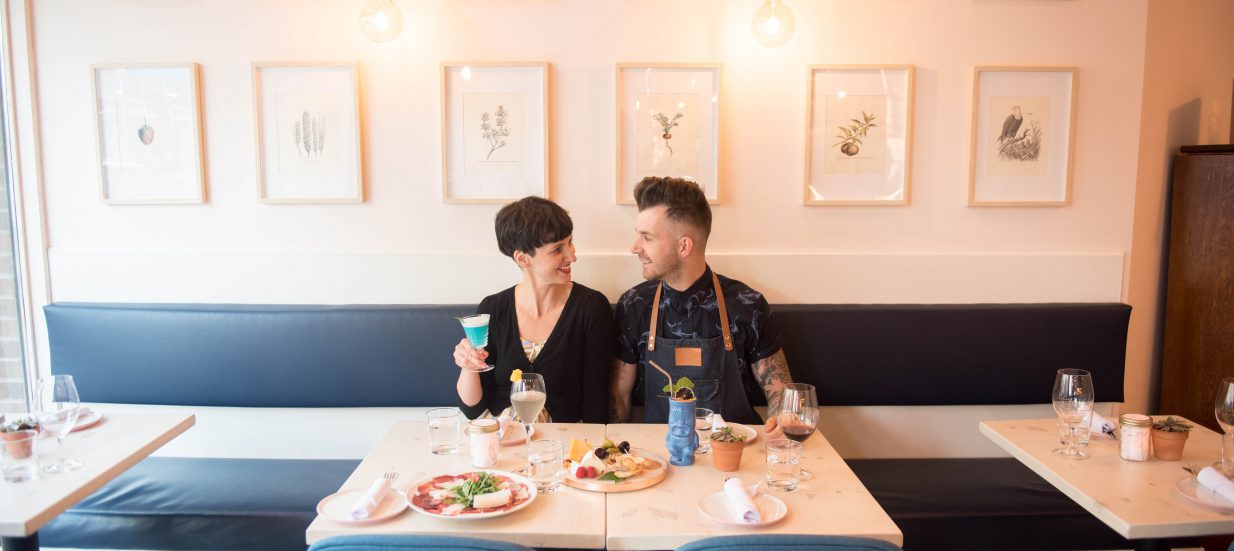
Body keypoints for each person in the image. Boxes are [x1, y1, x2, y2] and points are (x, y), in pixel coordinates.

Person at [609, 177, 794, 434]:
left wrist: (781, 423)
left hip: (736, 455)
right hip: (660, 458)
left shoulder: (747, 305)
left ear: (684, 246)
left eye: (647, 238)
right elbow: (619, 399)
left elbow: (780, 392)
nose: (634, 247)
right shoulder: (634, 305)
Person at [454, 196, 613, 423]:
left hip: (563, 446)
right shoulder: (493, 309)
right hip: (501, 439)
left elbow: (595, 405)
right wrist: (468, 365)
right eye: (558, 249)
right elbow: (472, 410)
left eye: (570, 242)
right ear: (523, 259)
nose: (572, 256)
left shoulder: (591, 308)